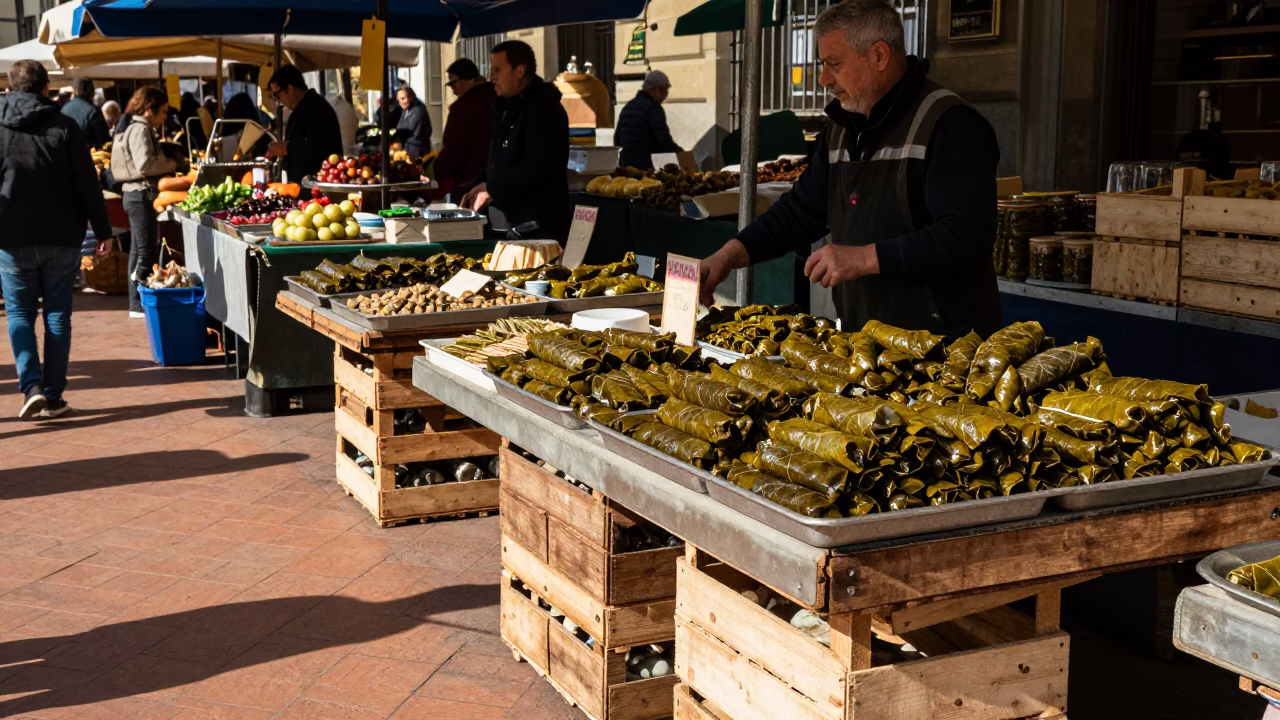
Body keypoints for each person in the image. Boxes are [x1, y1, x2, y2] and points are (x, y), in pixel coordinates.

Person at [698, 0, 1001, 338]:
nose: (824, 79)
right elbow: (799, 213)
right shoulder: (840, 130)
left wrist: (863, 259)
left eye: (835, 64)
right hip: (867, 342)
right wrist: (729, 255)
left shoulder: (950, 125)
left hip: (948, 349)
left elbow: (966, 235)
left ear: (879, 56)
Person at [0, 60, 113, 419]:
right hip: (62, 235)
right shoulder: (65, 127)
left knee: (19, 313)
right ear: (47, 89)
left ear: (9, 88)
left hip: (12, 235)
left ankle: (31, 386)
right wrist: (104, 230)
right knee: (57, 316)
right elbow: (87, 184)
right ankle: (53, 394)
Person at [461, 40, 570, 240]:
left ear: (520, 70)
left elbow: (537, 167)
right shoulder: (507, 108)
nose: (491, 76)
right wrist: (479, 184)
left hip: (539, 228)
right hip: (511, 223)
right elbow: (501, 161)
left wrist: (492, 189)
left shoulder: (544, 109)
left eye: (498, 69)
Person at [111, 87, 177, 319]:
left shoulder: (134, 127)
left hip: (135, 195)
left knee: (139, 248)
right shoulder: (140, 130)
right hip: (140, 194)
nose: (165, 117)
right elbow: (145, 166)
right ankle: (139, 301)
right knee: (145, 249)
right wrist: (170, 164)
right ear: (150, 110)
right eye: (163, 112)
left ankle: (136, 301)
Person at [265, 65, 344, 182]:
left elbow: (319, 147)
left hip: (317, 186)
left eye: (277, 95)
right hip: (306, 185)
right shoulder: (304, 107)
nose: (277, 100)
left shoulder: (315, 107)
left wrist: (286, 148)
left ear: (290, 89)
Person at [435, 57, 496, 198]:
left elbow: (454, 148)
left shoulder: (463, 107)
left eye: (453, 84)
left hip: (469, 181)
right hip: (495, 179)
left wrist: (438, 171)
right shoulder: (498, 96)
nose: (453, 91)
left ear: (466, 80)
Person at [615, 70, 683, 170]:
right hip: (644, 166)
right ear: (656, 89)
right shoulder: (653, 108)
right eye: (665, 90)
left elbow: (617, 140)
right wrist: (681, 154)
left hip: (625, 165)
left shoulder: (628, 107)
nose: (666, 95)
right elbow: (664, 140)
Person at [61, 78, 111, 149]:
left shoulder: (63, 110)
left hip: (66, 155)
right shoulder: (93, 111)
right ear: (91, 92)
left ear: (74, 91)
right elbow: (103, 138)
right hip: (88, 155)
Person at [395, 85, 432, 158]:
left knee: (417, 168)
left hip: (418, 151)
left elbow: (407, 130)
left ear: (412, 97)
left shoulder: (418, 109)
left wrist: (394, 139)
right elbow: (400, 126)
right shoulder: (407, 108)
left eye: (403, 99)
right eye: (399, 100)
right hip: (409, 149)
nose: (401, 102)